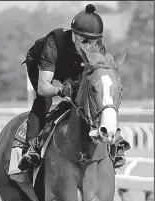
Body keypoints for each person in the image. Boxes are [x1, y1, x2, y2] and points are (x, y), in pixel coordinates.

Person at [18, 3, 109, 171]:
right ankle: (31, 149)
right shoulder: (53, 43)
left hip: (72, 63)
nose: (89, 47)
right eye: (84, 41)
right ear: (74, 35)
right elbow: (44, 87)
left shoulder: (98, 49)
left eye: (94, 41)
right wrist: (60, 90)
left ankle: (114, 144)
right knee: (44, 100)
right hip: (42, 60)